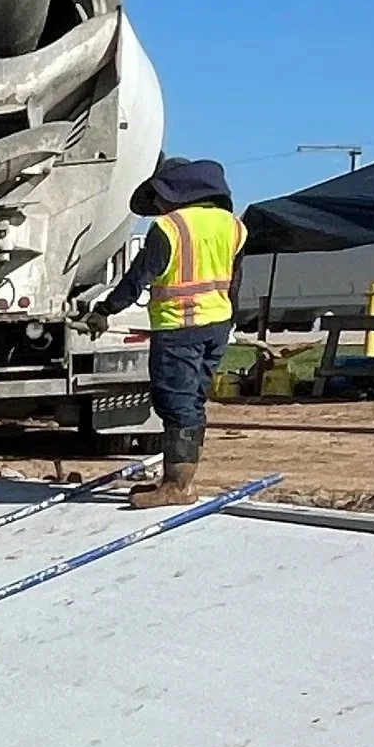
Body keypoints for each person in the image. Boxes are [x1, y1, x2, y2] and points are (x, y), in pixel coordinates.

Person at [92, 155, 247, 507]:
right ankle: (179, 481)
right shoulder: (234, 225)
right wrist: (230, 320)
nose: (157, 205)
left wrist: (104, 311)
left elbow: (138, 277)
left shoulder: (170, 228)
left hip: (179, 327)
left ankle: (178, 487)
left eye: (159, 196)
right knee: (192, 402)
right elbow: (234, 282)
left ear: (176, 192)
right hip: (217, 326)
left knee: (175, 404)